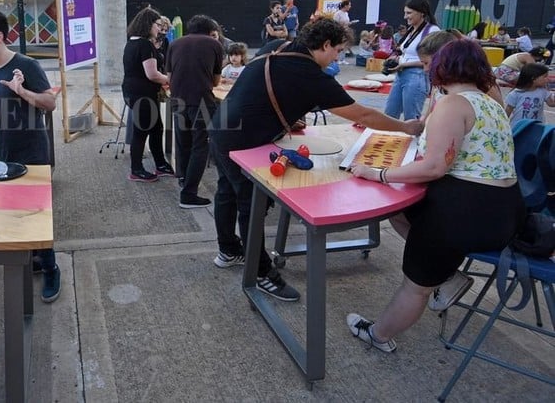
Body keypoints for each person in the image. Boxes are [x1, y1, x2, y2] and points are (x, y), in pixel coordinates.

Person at [208, 19, 424, 302]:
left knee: (227, 192)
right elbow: (364, 116)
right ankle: (260, 272)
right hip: (242, 140)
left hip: (220, 127)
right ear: (324, 46)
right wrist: (406, 127)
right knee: (251, 204)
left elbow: (261, 86)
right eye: (337, 50)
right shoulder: (311, 75)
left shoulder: (281, 46)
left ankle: (228, 250)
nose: (338, 57)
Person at [347, 40, 525, 353]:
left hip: (466, 214)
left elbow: (433, 167)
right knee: (398, 210)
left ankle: (379, 335)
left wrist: (378, 173)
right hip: (505, 211)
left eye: (431, 64)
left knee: (415, 287)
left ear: (444, 67)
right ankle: (447, 277)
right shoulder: (490, 103)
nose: (427, 69)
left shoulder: (454, 104)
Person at [0, 10, 62, 302]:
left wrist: (22, 91)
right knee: (13, 214)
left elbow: (50, 103)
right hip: (5, 155)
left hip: (34, 152)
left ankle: (51, 268)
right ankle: (33, 259)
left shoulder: (27, 65)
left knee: (38, 216)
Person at [166, 15, 223, 208]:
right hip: (202, 102)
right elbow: (215, 81)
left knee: (183, 142)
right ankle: (189, 194)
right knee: (201, 146)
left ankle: (183, 177)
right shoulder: (214, 45)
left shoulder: (174, 44)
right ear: (209, 30)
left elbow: (169, 76)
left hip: (177, 100)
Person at [122, 7, 175, 182]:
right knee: (142, 131)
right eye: (157, 25)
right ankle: (136, 170)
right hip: (142, 94)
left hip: (133, 91)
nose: (159, 29)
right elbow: (152, 74)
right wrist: (170, 80)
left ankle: (160, 164)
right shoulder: (145, 45)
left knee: (156, 128)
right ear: (148, 24)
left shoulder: (132, 42)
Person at [417, 30, 504, 118]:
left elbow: (499, 118)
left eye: (426, 63)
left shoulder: (486, 87)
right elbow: (428, 119)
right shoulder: (439, 87)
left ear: (444, 60)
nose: (425, 69)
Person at [383, 0, 441, 120]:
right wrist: (396, 60)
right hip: (401, 75)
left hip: (417, 76)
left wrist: (404, 64)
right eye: (405, 13)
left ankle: (414, 140)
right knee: (389, 115)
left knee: (411, 118)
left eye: (409, 13)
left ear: (421, 13)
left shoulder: (432, 30)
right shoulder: (411, 30)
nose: (405, 17)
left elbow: (434, 60)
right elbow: (407, 54)